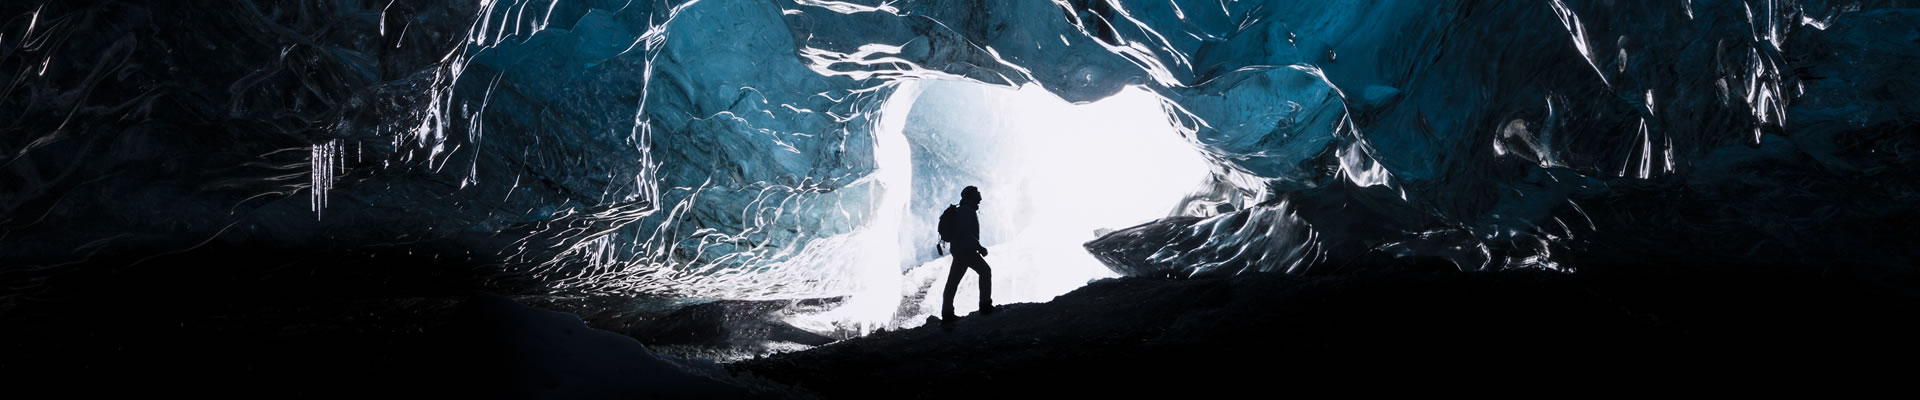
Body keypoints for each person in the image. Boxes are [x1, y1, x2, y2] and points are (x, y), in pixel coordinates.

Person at [937, 186, 993, 324]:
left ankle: (947, 313)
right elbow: (965, 232)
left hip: (960, 250)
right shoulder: (966, 211)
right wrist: (979, 247)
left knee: (953, 282)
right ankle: (985, 305)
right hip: (965, 250)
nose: (979, 194)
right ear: (971, 196)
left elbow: (963, 232)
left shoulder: (965, 209)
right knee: (985, 271)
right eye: (977, 192)